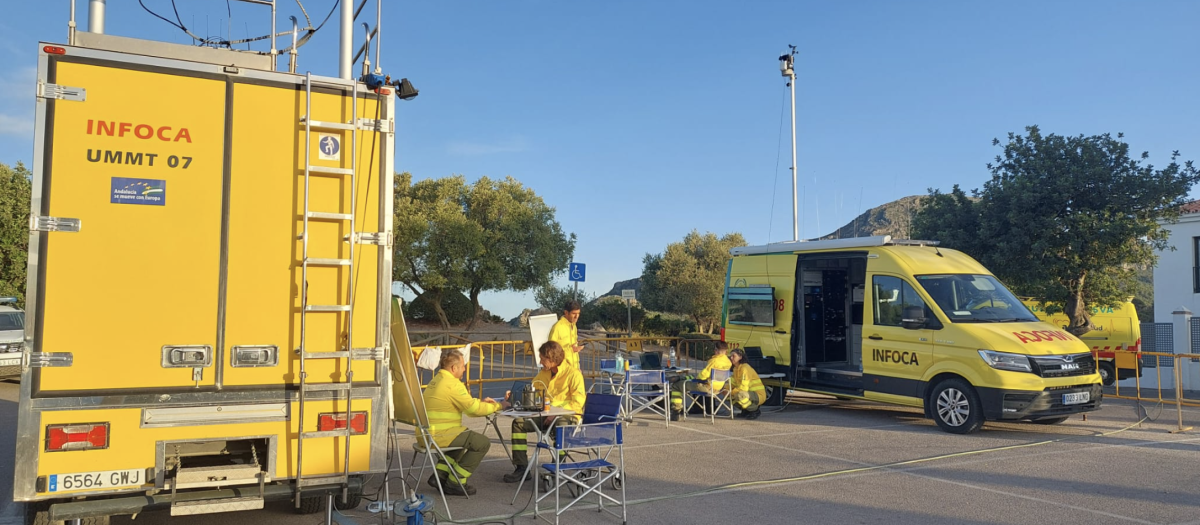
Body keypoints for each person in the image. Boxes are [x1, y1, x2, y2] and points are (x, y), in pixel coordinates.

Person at [422, 349, 510, 496]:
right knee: (481, 443)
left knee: (463, 437)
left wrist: (480, 403)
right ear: (454, 368)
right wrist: (499, 406)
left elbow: (466, 404)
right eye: (463, 365)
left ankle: (440, 475)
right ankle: (456, 482)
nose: (465, 369)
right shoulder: (453, 384)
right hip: (440, 435)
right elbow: (473, 410)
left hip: (428, 433)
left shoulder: (436, 380)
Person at [503, 341, 587, 483]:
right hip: (545, 415)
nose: (540, 362)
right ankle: (522, 468)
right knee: (518, 423)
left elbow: (578, 402)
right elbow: (532, 390)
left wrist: (556, 413)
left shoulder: (573, 374)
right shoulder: (544, 373)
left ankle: (557, 466)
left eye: (542, 358)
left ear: (552, 359)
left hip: (567, 417)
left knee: (560, 425)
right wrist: (514, 396)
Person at [668, 341, 732, 421]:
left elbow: (702, 377)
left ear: (716, 350)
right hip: (719, 388)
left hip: (707, 387)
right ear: (726, 351)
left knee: (676, 386)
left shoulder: (714, 361)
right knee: (692, 377)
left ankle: (676, 411)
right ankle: (682, 378)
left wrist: (696, 378)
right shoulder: (728, 362)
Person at [728, 348, 767, 420]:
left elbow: (744, 388)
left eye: (733, 356)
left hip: (758, 395)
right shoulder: (736, 369)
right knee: (728, 396)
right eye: (731, 356)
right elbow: (732, 383)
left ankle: (754, 410)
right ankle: (746, 410)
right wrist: (725, 389)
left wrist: (731, 391)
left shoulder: (745, 368)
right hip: (749, 393)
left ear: (740, 357)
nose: (731, 358)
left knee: (740, 395)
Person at [549, 300, 584, 371]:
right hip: (562, 370)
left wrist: (577, 368)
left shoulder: (574, 326)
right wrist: (572, 350)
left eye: (578, 313)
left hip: (574, 369)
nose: (576, 316)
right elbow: (551, 351)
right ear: (566, 313)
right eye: (574, 313)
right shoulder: (557, 327)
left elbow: (573, 350)